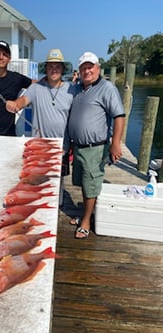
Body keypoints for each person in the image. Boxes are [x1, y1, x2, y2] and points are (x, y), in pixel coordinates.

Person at [64, 51, 125, 239]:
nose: (87, 71)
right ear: (79, 71)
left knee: (91, 183)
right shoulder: (77, 88)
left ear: (98, 68)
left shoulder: (107, 88)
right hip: (79, 146)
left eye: (90, 67)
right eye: (83, 68)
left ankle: (86, 222)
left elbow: (119, 116)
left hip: (95, 147)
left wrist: (115, 143)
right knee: (84, 183)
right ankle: (86, 213)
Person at [6, 48, 75, 138]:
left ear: (63, 69)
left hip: (63, 147)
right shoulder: (35, 88)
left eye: (57, 66)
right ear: (45, 69)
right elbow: (23, 100)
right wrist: (15, 104)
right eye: (50, 66)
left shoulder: (71, 89)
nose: (54, 70)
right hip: (40, 145)